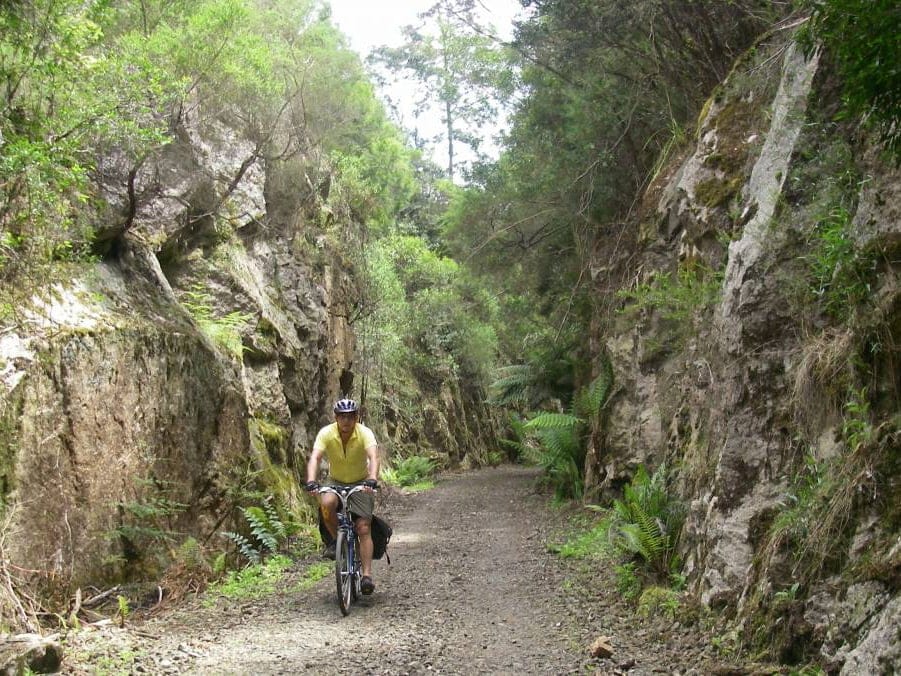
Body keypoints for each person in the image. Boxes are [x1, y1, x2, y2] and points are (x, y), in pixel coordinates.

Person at [305, 397, 380, 595]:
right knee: (327, 503)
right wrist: (311, 480)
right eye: (342, 417)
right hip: (335, 480)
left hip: (361, 482)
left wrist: (372, 478)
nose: (346, 421)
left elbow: (373, 457)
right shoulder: (326, 433)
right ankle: (336, 541)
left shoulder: (364, 433)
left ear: (356, 417)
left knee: (363, 527)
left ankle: (366, 576)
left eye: (350, 417)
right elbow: (315, 457)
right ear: (336, 418)